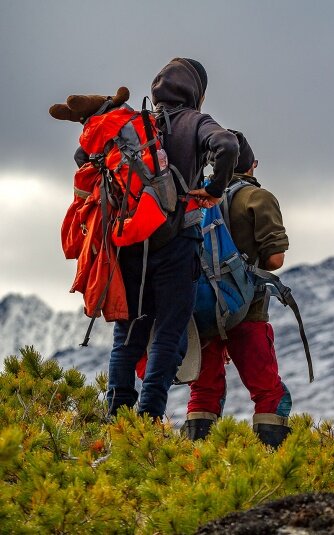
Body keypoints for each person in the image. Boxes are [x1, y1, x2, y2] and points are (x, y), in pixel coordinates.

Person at [106, 58, 238, 419]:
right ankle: (148, 418)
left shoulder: (135, 124)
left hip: (131, 243)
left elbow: (83, 155)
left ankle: (116, 417)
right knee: (168, 334)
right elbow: (227, 145)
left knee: (127, 336)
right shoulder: (196, 122)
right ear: (197, 91)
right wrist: (215, 188)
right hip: (178, 244)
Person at [183, 131, 292, 448]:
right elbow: (275, 259)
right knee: (268, 391)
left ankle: (196, 459)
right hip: (248, 310)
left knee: (203, 391)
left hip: (203, 310)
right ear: (252, 165)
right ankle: (272, 459)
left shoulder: (197, 197)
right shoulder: (257, 198)